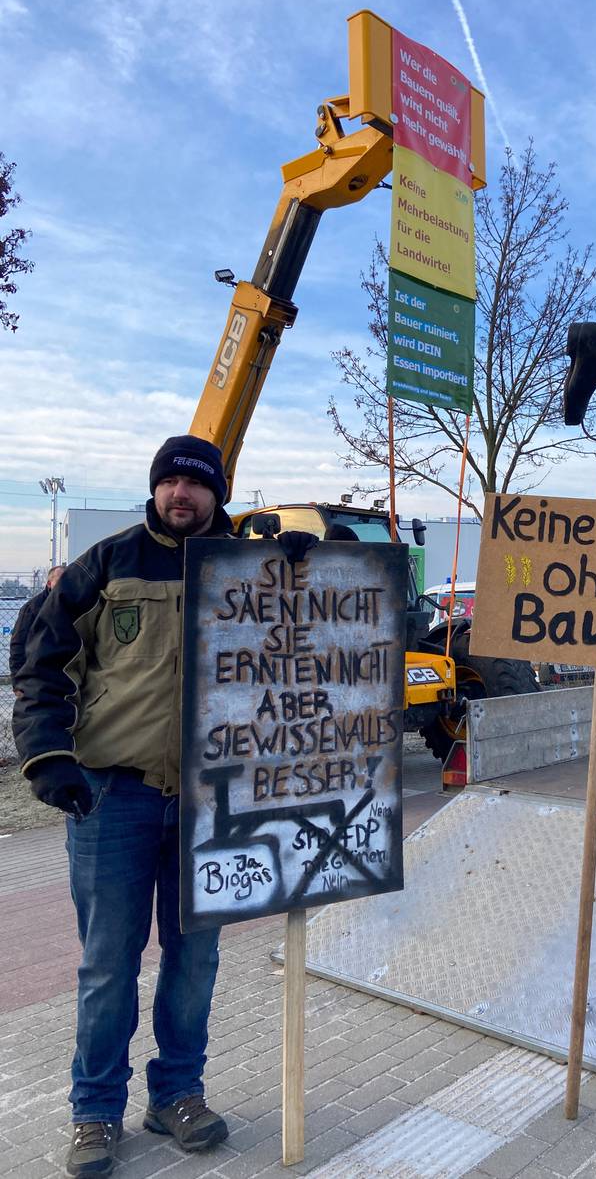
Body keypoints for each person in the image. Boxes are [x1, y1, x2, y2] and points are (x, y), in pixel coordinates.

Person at [13, 435, 317, 1178]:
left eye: (197, 482)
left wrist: (323, 562)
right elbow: (40, 660)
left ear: (218, 492)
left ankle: (177, 1092)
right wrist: (48, 755)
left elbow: (333, 638)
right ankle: (94, 1111)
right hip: (111, 796)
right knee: (108, 963)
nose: (182, 492)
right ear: (155, 489)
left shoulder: (253, 564)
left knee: (196, 958)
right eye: (171, 481)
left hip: (213, 801)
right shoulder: (106, 564)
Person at [9, 564, 65, 685]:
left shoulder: (75, 606)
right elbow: (18, 644)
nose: (64, 584)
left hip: (65, 680)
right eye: (60, 580)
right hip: (38, 680)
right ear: (49, 584)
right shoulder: (32, 608)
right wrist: (18, 681)